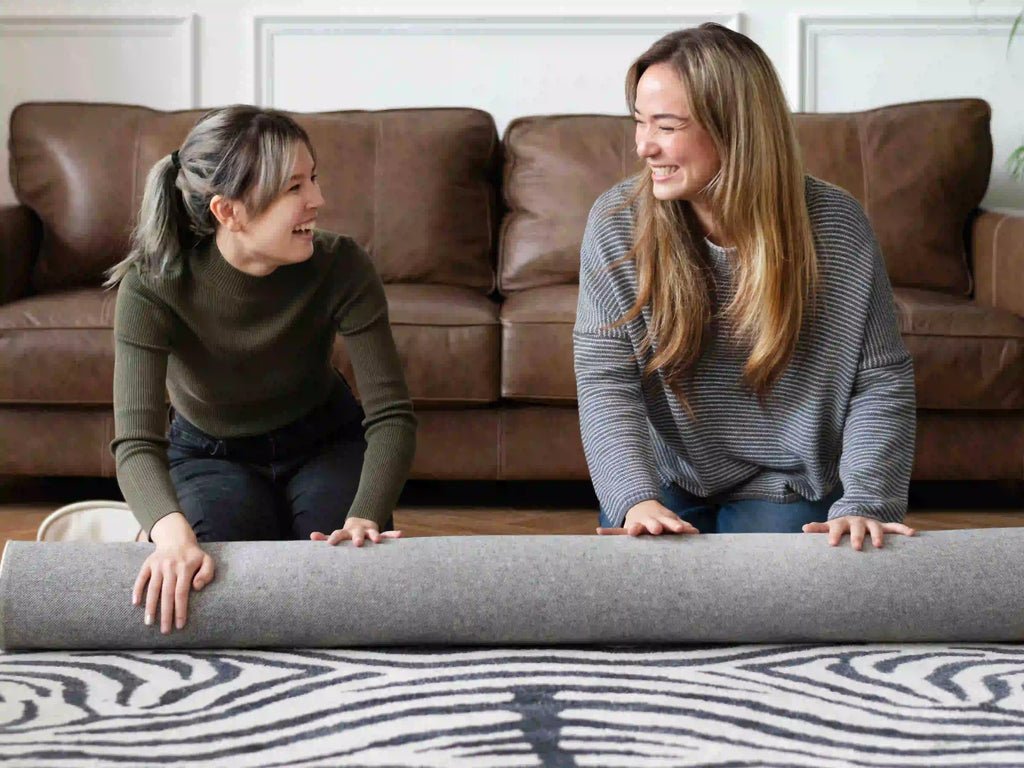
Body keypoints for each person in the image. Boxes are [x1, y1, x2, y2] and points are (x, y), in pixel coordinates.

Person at [573, 24, 916, 550]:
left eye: (665, 126)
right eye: (640, 122)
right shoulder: (618, 220)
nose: (643, 145)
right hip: (669, 479)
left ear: (734, 129)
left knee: (780, 607)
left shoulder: (836, 225)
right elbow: (605, 378)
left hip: (790, 486)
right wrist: (632, 497)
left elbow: (879, 380)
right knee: (648, 607)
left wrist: (866, 502)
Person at [107, 106, 417, 634]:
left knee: (345, 579)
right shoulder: (151, 284)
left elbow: (391, 415)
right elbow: (135, 442)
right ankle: (152, 525)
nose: (317, 200)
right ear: (229, 211)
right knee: (212, 579)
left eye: (313, 178)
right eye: (294, 186)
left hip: (324, 440)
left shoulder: (341, 264)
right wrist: (172, 533)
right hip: (209, 453)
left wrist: (367, 513)